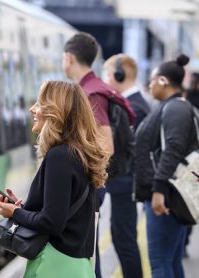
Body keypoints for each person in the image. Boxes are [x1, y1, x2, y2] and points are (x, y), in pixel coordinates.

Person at [0, 81, 109, 277]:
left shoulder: (60, 156)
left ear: (55, 111)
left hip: (55, 265)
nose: (32, 109)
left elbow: (51, 222)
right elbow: (60, 211)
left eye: (39, 103)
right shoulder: (77, 154)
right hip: (76, 265)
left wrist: (16, 213)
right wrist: (18, 208)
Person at [62, 32, 135, 277]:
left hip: (89, 186)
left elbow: (106, 145)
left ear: (69, 58)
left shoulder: (90, 94)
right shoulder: (92, 88)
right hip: (93, 185)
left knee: (88, 254)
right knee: (87, 251)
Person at [134, 54, 198, 278]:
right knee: (170, 260)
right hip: (168, 194)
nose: (149, 85)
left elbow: (173, 149)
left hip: (166, 196)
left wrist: (158, 190)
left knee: (160, 261)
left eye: (152, 80)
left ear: (163, 81)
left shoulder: (176, 109)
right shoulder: (171, 106)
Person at [103, 54, 149, 278]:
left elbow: (132, 151)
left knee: (125, 239)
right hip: (125, 183)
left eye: (108, 74)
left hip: (127, 183)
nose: (106, 79)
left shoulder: (135, 107)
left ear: (118, 75)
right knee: (121, 237)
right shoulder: (135, 104)